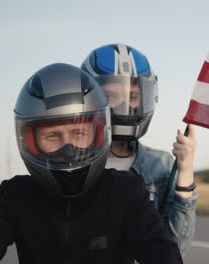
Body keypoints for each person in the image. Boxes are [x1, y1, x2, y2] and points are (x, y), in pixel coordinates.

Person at [0, 63, 183, 264]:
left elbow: (162, 254)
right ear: (30, 141)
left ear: (99, 133)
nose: (68, 147)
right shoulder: (15, 196)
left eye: (78, 132)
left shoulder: (126, 191)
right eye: (52, 135)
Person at [81, 44, 198, 255]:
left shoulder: (160, 166)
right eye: (110, 96)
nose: (124, 104)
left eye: (132, 96)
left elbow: (175, 250)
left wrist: (185, 173)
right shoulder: (76, 163)